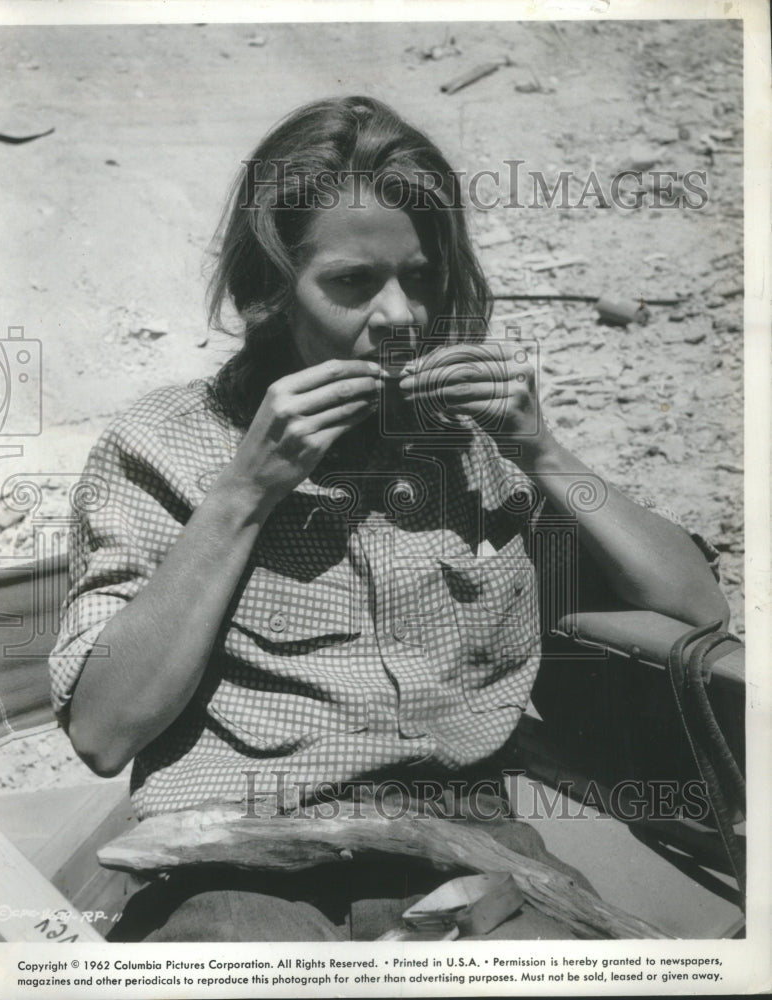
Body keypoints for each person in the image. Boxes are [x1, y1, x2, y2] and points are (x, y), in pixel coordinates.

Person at [49, 96, 727, 941]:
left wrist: (544, 452)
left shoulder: (473, 448)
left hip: (466, 850)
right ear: (269, 292)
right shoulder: (163, 444)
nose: (402, 317)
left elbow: (695, 605)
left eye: (424, 276)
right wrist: (243, 495)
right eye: (352, 283)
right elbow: (106, 732)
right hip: (229, 858)